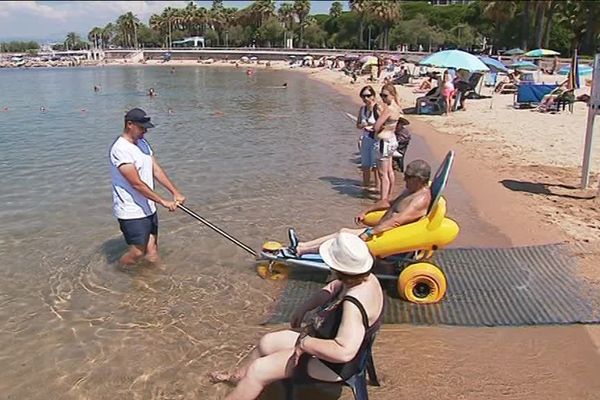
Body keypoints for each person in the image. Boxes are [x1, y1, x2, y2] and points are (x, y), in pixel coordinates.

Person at [209, 233, 384, 400]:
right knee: (267, 342)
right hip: (326, 344)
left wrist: (305, 344)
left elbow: (344, 351)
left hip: (335, 366)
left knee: (258, 370)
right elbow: (332, 288)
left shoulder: (354, 303)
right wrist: (304, 307)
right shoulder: (363, 278)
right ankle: (239, 378)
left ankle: (248, 382)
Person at [286, 160, 431, 256]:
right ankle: (302, 246)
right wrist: (366, 210)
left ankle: (300, 250)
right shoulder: (411, 190)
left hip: (387, 236)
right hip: (382, 230)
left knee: (343, 238)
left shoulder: (420, 199)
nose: (404, 179)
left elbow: (397, 221)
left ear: (419, 179)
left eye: (408, 177)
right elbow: (389, 203)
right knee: (342, 232)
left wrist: (369, 232)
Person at [109, 108, 186, 266]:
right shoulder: (120, 150)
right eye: (142, 128)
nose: (145, 131)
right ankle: (117, 272)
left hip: (148, 207)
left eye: (146, 128)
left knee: (152, 250)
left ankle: (155, 282)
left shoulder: (142, 143)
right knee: (138, 252)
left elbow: (155, 169)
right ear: (129, 124)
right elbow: (136, 183)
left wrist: (175, 192)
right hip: (131, 211)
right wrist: (163, 201)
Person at [372, 83, 402, 202]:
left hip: (383, 142)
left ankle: (383, 200)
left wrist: (377, 124)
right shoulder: (398, 108)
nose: (383, 98)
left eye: (385, 96)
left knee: (382, 174)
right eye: (381, 95)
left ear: (392, 95)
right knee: (389, 170)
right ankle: (389, 195)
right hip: (392, 139)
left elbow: (376, 126)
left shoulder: (388, 109)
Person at [356, 85, 380, 192]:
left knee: (376, 166)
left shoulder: (377, 108)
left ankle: (378, 188)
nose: (365, 98)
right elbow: (358, 124)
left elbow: (384, 124)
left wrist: (373, 127)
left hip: (376, 139)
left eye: (367, 96)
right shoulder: (362, 109)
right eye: (363, 96)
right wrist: (362, 125)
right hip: (366, 138)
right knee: (365, 165)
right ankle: (365, 188)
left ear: (373, 96)